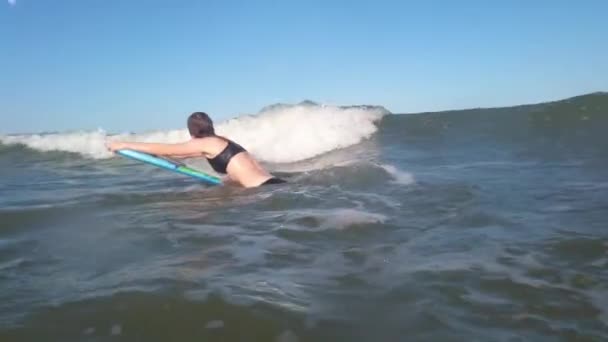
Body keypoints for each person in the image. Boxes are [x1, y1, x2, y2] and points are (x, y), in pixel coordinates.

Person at [106, 112, 286, 188]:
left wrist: (123, 144)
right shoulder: (221, 142)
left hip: (263, 191)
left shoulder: (205, 143)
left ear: (192, 132)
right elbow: (183, 154)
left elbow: (167, 149)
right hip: (275, 184)